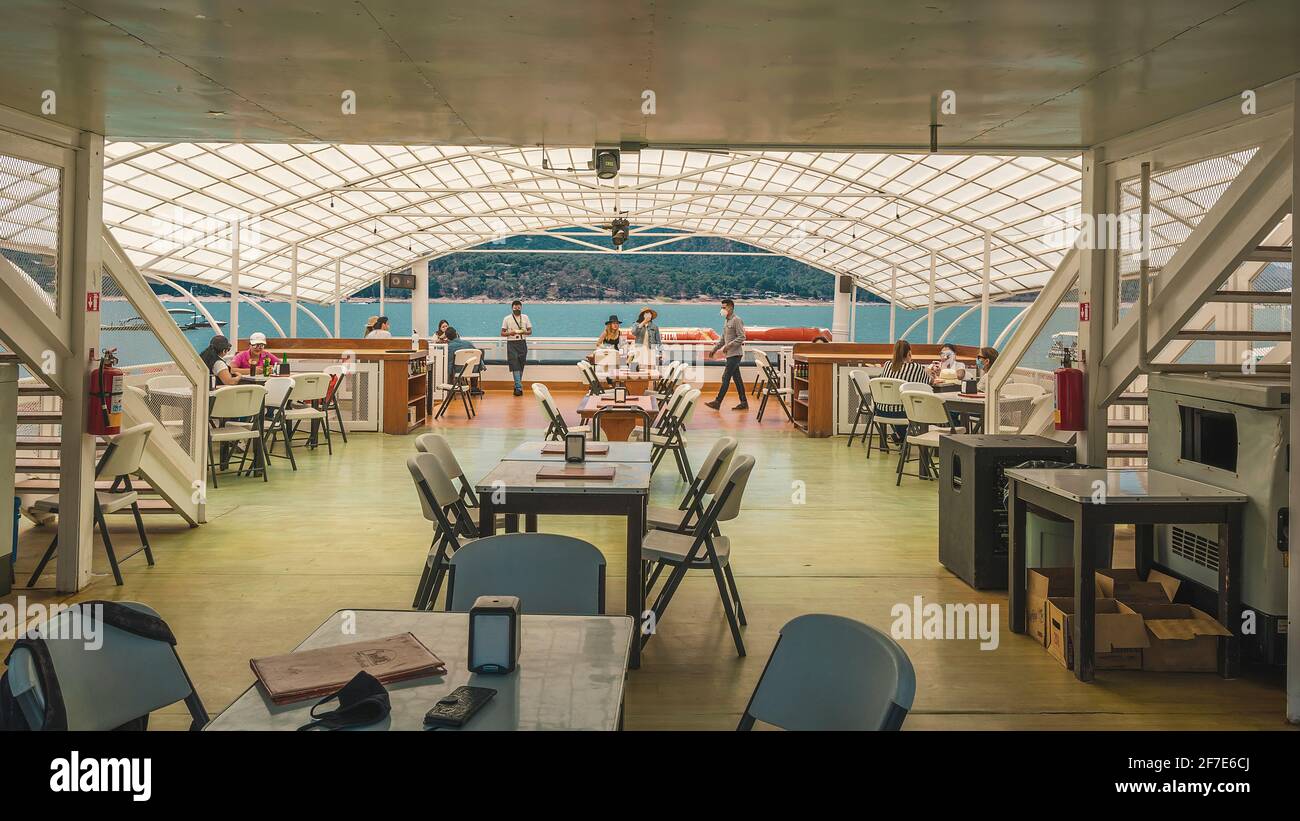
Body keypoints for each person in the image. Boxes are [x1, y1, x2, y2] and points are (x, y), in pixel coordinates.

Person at [879, 339, 933, 441]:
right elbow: (929, 382)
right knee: (917, 405)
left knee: (901, 403)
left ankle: (900, 435)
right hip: (902, 413)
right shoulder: (916, 368)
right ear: (909, 353)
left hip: (882, 411)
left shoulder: (887, 365)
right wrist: (928, 373)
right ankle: (906, 436)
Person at [705, 298, 748, 411]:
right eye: (721, 307)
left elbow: (742, 337)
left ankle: (717, 402)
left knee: (726, 377)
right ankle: (744, 402)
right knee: (737, 379)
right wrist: (714, 349)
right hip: (730, 355)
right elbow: (723, 339)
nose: (722, 309)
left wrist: (729, 346)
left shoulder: (736, 320)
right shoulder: (727, 321)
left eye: (724, 307)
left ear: (731, 308)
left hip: (735, 354)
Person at [501, 299, 532, 396]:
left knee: (521, 365)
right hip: (511, 343)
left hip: (522, 342)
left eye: (518, 307)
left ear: (521, 308)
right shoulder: (507, 318)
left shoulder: (525, 317)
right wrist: (511, 333)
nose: (517, 309)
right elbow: (502, 333)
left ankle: (517, 385)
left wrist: (524, 332)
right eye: (515, 307)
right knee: (515, 365)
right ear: (512, 308)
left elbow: (530, 331)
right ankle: (519, 388)